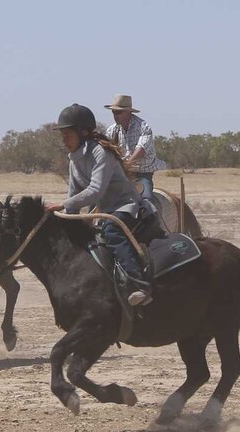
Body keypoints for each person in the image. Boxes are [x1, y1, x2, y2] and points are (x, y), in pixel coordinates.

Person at [45, 104, 155, 305]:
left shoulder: (101, 153)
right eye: (63, 135)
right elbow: (74, 195)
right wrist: (66, 220)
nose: (64, 140)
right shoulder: (74, 160)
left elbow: (95, 191)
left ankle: (140, 284)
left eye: (68, 134)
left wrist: (62, 204)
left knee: (112, 231)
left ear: (83, 132)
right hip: (107, 210)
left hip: (126, 207)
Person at [103, 94, 164, 200]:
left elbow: (141, 150)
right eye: (113, 112)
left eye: (118, 112)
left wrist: (126, 163)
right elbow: (106, 151)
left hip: (142, 173)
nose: (115, 115)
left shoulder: (143, 127)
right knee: (100, 197)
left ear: (128, 112)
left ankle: (152, 215)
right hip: (121, 174)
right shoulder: (112, 130)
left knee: (146, 199)